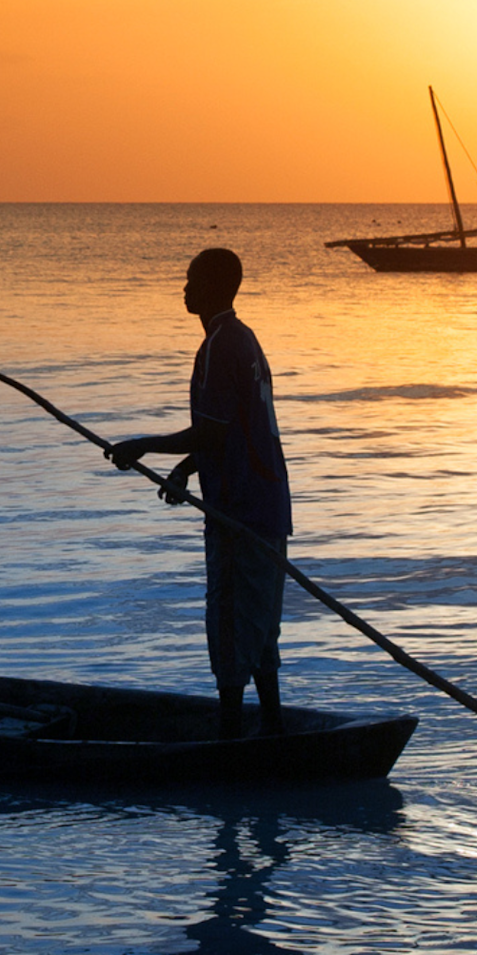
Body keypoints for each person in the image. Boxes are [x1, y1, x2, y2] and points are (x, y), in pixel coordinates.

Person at [107, 247, 291, 740]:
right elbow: (229, 431)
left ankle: (231, 738)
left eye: (191, 280)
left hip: (240, 512)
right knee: (261, 623)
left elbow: (210, 434)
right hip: (268, 506)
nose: (184, 289)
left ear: (214, 287)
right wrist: (187, 471)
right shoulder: (244, 339)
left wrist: (142, 447)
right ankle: (273, 727)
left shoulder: (217, 347)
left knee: (231, 623)